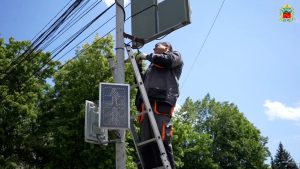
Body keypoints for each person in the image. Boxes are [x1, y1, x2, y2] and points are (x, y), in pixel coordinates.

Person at [135, 42, 183, 169]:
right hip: (145, 105)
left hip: (161, 103)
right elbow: (139, 81)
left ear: (166, 48)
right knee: (146, 142)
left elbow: (166, 61)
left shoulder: (175, 56)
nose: (154, 48)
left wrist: (146, 56)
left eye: (157, 46)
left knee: (162, 139)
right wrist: (138, 65)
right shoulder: (151, 67)